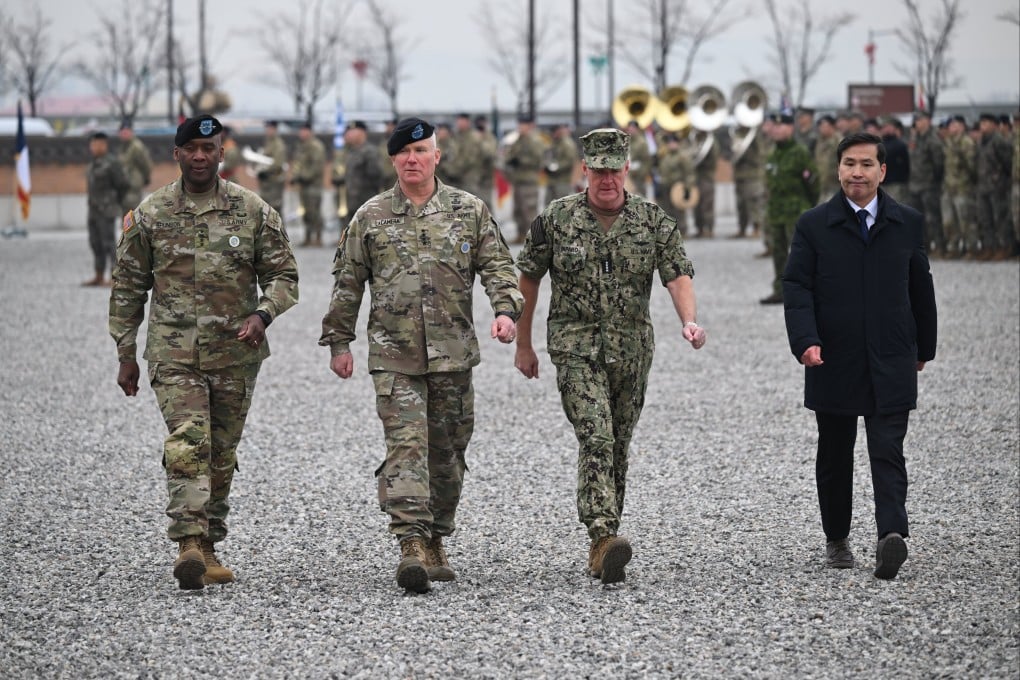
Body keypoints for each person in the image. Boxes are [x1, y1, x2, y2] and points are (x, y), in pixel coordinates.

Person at [319, 117, 522, 594]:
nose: (413, 160)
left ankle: (436, 538)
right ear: (394, 159)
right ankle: (411, 543)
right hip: (395, 357)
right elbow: (347, 283)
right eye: (405, 154)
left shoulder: (468, 210)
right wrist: (339, 342)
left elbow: (498, 266)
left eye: (422, 152)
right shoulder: (370, 217)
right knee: (406, 447)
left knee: (448, 453)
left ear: (437, 157)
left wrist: (506, 310)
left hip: (453, 355)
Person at [108, 114, 299, 590]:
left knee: (221, 453)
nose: (199, 155)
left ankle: (209, 546)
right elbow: (128, 286)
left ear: (221, 154)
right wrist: (125, 352)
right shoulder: (151, 215)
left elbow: (283, 276)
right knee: (190, 441)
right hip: (174, 355)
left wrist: (264, 313)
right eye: (190, 147)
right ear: (176, 154)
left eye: (208, 148)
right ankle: (188, 543)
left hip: (237, 354)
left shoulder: (251, 210)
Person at [514, 128, 707, 585]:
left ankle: (606, 540)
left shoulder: (652, 220)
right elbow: (528, 279)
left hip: (632, 349)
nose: (606, 179)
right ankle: (602, 535)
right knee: (596, 435)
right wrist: (523, 344)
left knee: (618, 443)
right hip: (575, 346)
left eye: (614, 170)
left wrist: (689, 320)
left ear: (626, 170)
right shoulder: (556, 220)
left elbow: (676, 273)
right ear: (585, 170)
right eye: (597, 170)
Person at [783, 131, 937, 581]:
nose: (857, 172)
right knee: (835, 453)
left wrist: (924, 346)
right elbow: (796, 286)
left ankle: (892, 536)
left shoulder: (906, 222)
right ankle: (837, 539)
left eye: (867, 164)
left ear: (882, 171)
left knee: (888, 448)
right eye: (850, 163)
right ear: (838, 168)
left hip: (891, 354)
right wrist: (805, 340)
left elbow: (920, 286)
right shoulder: (814, 225)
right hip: (833, 357)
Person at [760, 112, 818, 304]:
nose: (776, 130)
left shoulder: (799, 152)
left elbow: (813, 182)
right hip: (776, 210)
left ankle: (802, 291)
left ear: (790, 128)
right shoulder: (773, 154)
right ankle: (780, 290)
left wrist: (809, 207)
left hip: (796, 210)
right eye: (774, 126)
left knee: (799, 253)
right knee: (778, 253)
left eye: (781, 126)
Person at [84, 131, 129, 287]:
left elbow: (123, 184)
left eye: (96, 144)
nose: (93, 147)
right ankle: (98, 274)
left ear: (104, 145)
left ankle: (114, 276)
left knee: (108, 243)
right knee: (94, 242)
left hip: (107, 209)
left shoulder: (112, 163)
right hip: (93, 209)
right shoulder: (92, 163)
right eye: (92, 144)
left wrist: (113, 201)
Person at [975, 112, 1015, 260]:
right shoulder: (981, 141)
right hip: (983, 185)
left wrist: (1001, 179)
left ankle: (1005, 247)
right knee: (985, 219)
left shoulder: (999, 141)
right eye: (981, 123)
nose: (982, 126)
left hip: (997, 186)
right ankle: (989, 247)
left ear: (993, 124)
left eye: (986, 123)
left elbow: (1007, 163)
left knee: (1000, 218)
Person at [906, 110, 945, 255]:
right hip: (915, 184)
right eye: (916, 120)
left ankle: (940, 246)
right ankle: (924, 246)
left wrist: (934, 180)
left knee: (933, 217)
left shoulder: (933, 139)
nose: (917, 123)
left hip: (929, 185)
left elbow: (938, 164)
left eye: (920, 120)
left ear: (928, 121)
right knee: (917, 218)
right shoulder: (915, 139)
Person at [504, 114, 546, 242]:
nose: (521, 128)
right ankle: (521, 235)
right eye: (519, 125)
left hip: (529, 180)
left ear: (530, 126)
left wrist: (521, 160)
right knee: (518, 210)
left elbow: (538, 160)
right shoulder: (518, 140)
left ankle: (535, 239)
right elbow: (510, 154)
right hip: (518, 180)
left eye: (523, 125)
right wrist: (511, 160)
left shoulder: (535, 141)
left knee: (530, 211)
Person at [941, 115, 978, 259]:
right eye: (951, 125)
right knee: (949, 221)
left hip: (963, 187)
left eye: (955, 125)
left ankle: (971, 247)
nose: (952, 128)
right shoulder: (948, 142)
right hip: (949, 187)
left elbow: (972, 166)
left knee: (966, 220)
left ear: (962, 126)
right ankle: (953, 247)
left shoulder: (966, 142)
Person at [291, 122, 327, 246]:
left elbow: (316, 167)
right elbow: (299, 164)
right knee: (306, 212)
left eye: (304, 131)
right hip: (304, 186)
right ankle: (307, 237)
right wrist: (295, 176)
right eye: (301, 131)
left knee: (314, 212)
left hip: (313, 185)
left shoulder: (316, 146)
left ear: (310, 132)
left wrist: (303, 176)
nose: (302, 133)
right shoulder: (301, 147)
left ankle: (318, 237)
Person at [730, 123, 768, 239]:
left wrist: (748, 153)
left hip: (753, 176)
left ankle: (757, 228)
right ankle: (742, 228)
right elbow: (733, 152)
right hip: (739, 175)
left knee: (754, 203)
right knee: (740, 204)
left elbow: (761, 155)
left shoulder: (755, 135)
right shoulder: (736, 134)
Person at [343, 121, 385, 219]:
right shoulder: (350, 152)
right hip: (350, 202)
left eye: (352, 131)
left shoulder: (370, 152)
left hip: (365, 203)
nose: (348, 134)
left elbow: (376, 176)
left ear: (362, 133)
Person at [117, 120, 152, 213]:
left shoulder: (136, 147)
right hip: (124, 187)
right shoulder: (123, 147)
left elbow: (146, 164)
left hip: (133, 186)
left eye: (127, 131)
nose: (124, 134)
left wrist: (145, 179)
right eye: (122, 132)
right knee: (126, 217)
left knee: (132, 215)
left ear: (131, 132)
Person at [691, 128, 719, 238]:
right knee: (696, 204)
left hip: (707, 177)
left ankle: (710, 229)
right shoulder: (694, 139)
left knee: (707, 204)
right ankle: (700, 228)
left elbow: (714, 159)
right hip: (695, 177)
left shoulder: (711, 141)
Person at [257, 120, 288, 218]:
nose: (268, 131)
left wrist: (266, 172)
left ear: (275, 129)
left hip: (274, 182)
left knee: (275, 210)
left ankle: (280, 232)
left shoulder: (278, 144)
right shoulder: (268, 143)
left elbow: (277, 164)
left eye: (270, 128)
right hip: (267, 183)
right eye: (267, 128)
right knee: (266, 211)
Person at [544, 123, 578, 202]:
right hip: (552, 181)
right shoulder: (554, 143)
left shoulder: (567, 143)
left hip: (562, 181)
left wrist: (555, 168)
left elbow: (570, 160)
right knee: (549, 206)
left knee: (561, 205)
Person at [879, 117, 910, 202]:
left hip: (896, 183)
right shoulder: (879, 145)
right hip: (882, 183)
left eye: (889, 126)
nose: (887, 129)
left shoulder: (901, 145)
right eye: (884, 127)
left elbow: (906, 164)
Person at [814, 115, 842, 204]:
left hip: (835, 184)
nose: (821, 129)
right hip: (822, 184)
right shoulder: (819, 141)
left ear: (832, 127)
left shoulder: (839, 142)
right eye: (820, 126)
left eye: (824, 126)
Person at [474, 114, 498, 210]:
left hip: (486, 178)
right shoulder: (471, 137)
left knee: (486, 205)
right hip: (472, 178)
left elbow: (490, 153)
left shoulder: (490, 138)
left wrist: (481, 140)